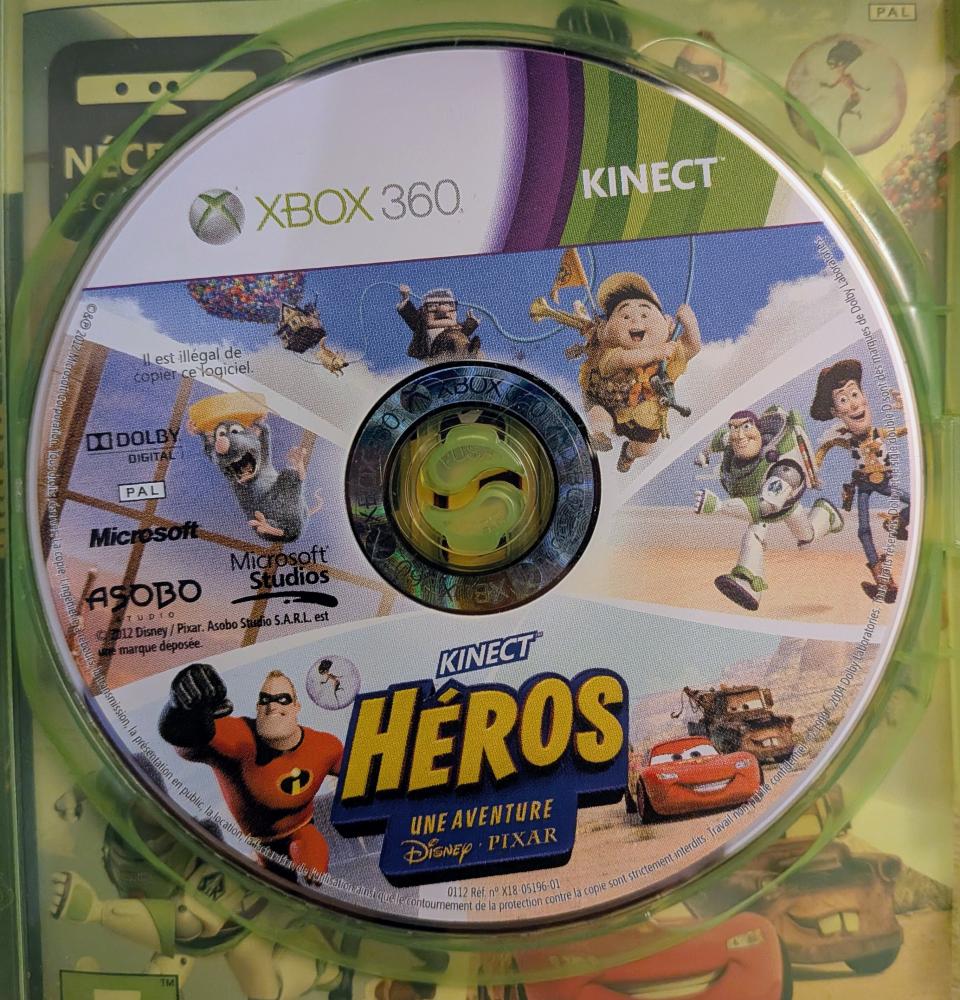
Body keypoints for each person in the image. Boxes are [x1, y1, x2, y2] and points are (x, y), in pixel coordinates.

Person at [159, 663, 342, 879]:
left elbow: (361, 768)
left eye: (283, 699)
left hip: (303, 829)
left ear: (296, 707)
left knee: (312, 857)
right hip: (264, 848)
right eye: (265, 700)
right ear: (258, 708)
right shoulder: (243, 741)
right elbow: (190, 740)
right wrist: (179, 710)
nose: (273, 707)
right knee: (276, 882)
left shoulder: (324, 747)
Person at [695, 407, 843, 610]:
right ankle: (749, 583)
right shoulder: (733, 442)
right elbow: (719, 439)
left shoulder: (785, 468)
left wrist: (719, 506)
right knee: (755, 534)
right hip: (759, 504)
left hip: (780, 506)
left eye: (746, 427)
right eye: (734, 429)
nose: (739, 436)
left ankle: (826, 514)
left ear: (757, 429)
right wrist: (704, 453)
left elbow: (765, 506)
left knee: (806, 536)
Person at [810, 359, 909, 601]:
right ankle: (882, 578)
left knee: (917, 502)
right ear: (836, 412)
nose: (853, 404)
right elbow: (827, 446)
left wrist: (905, 408)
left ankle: (897, 522)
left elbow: (906, 429)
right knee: (863, 530)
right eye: (843, 400)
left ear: (864, 397)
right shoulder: (848, 440)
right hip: (863, 485)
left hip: (884, 482)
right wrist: (814, 466)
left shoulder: (879, 433)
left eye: (855, 394)